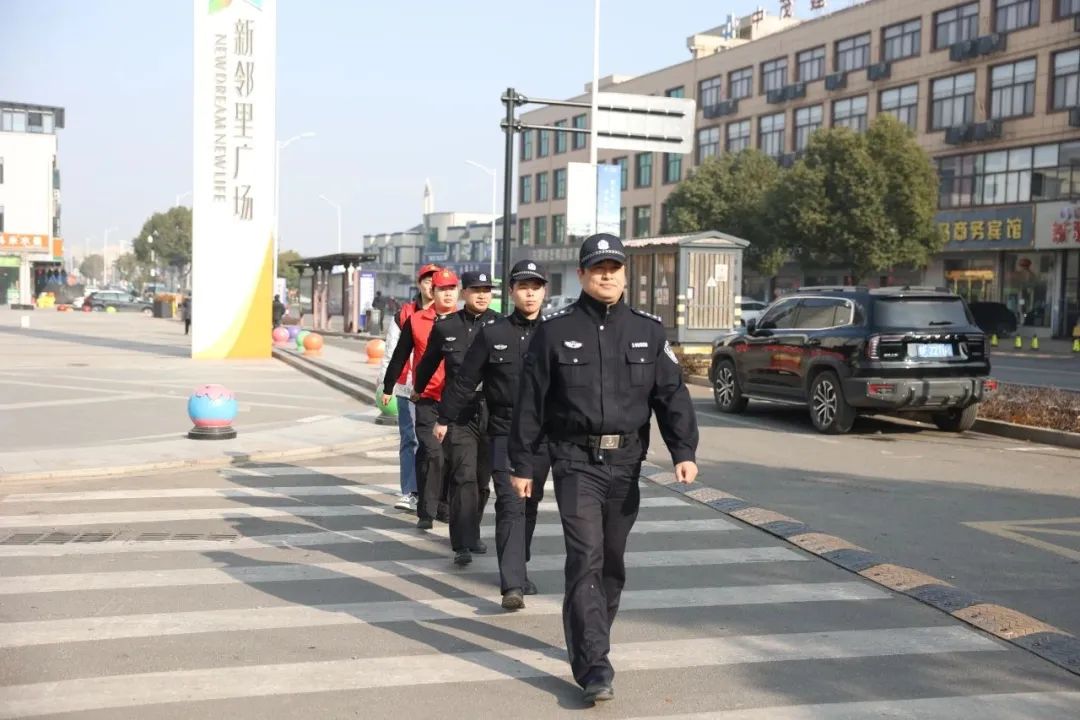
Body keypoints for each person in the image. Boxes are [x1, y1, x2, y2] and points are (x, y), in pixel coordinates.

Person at [509, 233, 699, 705]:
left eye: (614, 268)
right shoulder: (554, 332)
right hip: (575, 461)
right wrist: (523, 463)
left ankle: (592, 637)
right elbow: (530, 403)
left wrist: (683, 451)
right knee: (586, 557)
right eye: (598, 269)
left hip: (626, 462)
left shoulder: (648, 331)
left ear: (624, 274)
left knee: (611, 562)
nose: (607, 276)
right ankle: (594, 664)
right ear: (582, 275)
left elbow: (671, 395)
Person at [439, 260, 550, 606]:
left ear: (544, 292)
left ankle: (519, 566)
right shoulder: (493, 334)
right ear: (512, 292)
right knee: (510, 502)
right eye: (523, 287)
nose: (529, 294)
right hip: (504, 430)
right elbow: (465, 380)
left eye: (535, 287)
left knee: (530, 503)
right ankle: (512, 584)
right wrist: (444, 418)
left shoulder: (556, 333)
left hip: (544, 435)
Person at [414, 270, 500, 566]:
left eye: (487, 290)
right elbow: (427, 364)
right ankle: (461, 542)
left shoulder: (501, 326)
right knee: (463, 476)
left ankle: (473, 532)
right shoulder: (446, 327)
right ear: (465, 293)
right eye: (476, 290)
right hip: (459, 411)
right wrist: (418, 390)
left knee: (482, 480)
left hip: (492, 410)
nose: (482, 295)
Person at [382, 268, 460, 528]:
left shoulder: (465, 321)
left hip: (456, 400)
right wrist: (388, 385)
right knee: (431, 451)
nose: (447, 294)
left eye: (451, 289)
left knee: (450, 454)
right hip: (424, 396)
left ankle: (443, 506)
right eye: (441, 289)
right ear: (431, 291)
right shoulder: (415, 320)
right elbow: (400, 354)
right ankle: (425, 508)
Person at [377, 263, 440, 513]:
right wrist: (386, 385)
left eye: (435, 282)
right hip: (408, 387)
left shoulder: (446, 314)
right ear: (419, 284)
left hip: (439, 388)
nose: (431, 286)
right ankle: (410, 492)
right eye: (427, 281)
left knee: (436, 441)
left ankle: (434, 492)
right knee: (410, 438)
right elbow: (392, 351)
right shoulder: (403, 315)